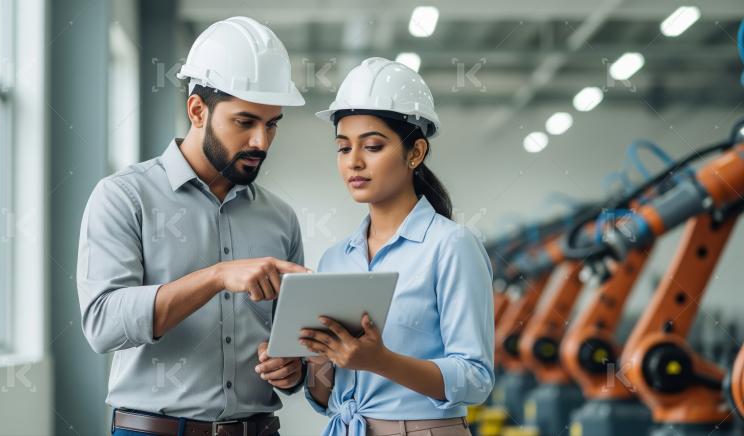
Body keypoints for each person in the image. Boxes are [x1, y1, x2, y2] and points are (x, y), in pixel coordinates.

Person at [76, 16, 309, 436]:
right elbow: (103, 323)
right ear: (197, 110)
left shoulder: (281, 219)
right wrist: (217, 276)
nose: (261, 141)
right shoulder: (124, 197)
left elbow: (291, 344)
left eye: (272, 123)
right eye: (245, 122)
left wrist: (292, 369)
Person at [301, 57, 495, 436]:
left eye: (372, 146)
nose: (354, 162)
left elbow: (475, 379)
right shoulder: (335, 259)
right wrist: (311, 361)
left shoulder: (452, 247)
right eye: (343, 148)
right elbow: (326, 396)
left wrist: (381, 361)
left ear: (415, 153)